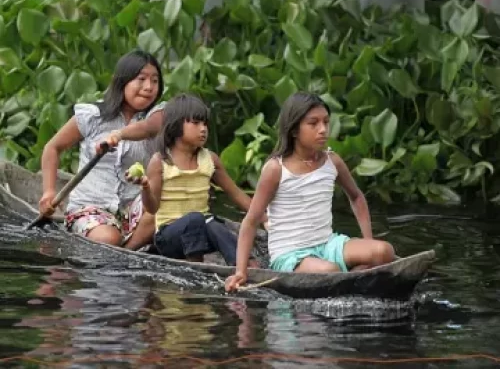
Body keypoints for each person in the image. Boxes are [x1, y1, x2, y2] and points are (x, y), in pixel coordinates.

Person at [225, 92, 395, 292]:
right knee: (330, 272)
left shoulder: (333, 161)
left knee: (384, 252)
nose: (323, 130)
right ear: (295, 130)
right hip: (290, 254)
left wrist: (368, 240)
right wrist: (241, 271)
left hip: (328, 244)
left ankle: (352, 275)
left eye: (326, 122)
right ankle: (352, 275)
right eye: (313, 124)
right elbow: (251, 221)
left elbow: (356, 196)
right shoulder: (276, 169)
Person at [38, 49, 165, 250]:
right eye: (141, 79)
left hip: (135, 209)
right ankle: (122, 249)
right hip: (91, 206)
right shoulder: (93, 116)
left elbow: (149, 129)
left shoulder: (158, 117)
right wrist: (49, 192)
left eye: (155, 81)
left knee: (167, 206)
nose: (149, 87)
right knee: (108, 239)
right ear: (123, 81)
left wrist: (118, 135)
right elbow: (53, 148)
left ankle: (128, 250)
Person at [126, 93, 263, 266]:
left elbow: (235, 193)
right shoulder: (160, 161)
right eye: (196, 123)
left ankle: (244, 265)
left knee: (213, 223)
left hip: (201, 228)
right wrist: (145, 186)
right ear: (176, 125)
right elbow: (152, 208)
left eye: (205, 123)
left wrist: (264, 218)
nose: (203, 129)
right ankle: (195, 265)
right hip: (168, 237)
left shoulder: (210, 159)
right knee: (196, 219)